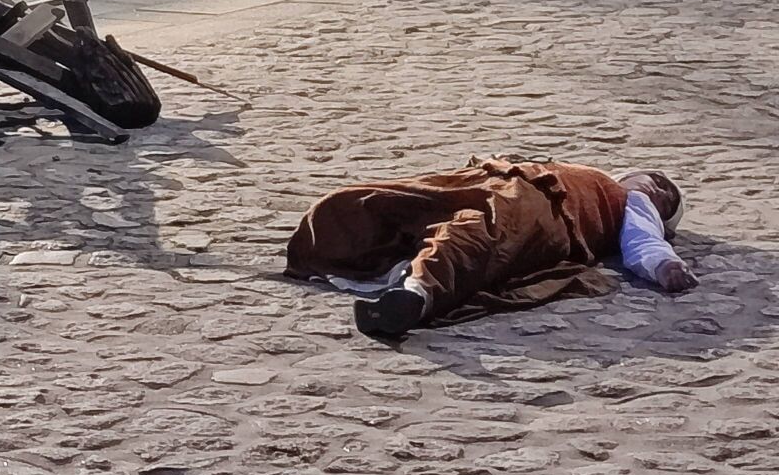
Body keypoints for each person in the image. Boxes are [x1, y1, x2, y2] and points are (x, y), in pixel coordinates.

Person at [287, 160, 690, 338]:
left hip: (542, 211)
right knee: (386, 200)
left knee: (473, 236)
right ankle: (338, 240)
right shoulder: (596, 175)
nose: (655, 186)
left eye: (664, 195)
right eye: (655, 179)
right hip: (489, 180)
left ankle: (414, 296)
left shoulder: (628, 203)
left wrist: (664, 265)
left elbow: (643, 242)